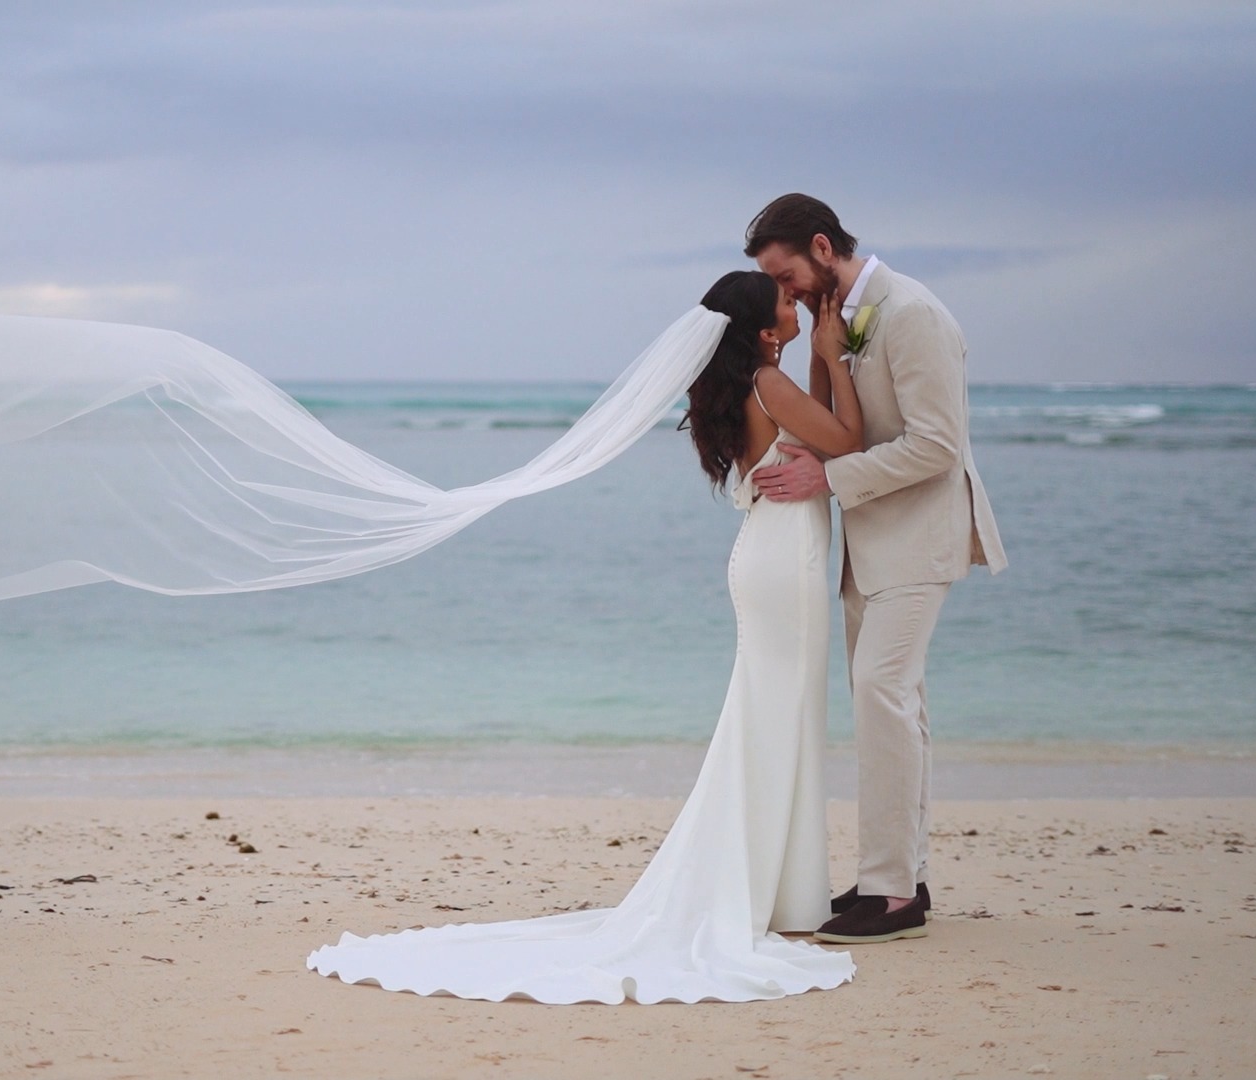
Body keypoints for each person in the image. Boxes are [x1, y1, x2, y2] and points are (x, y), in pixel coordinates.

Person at [305, 269, 870, 1002]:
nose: (797, 305)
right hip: (782, 562)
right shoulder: (770, 383)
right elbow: (848, 439)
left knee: (777, 718)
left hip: (773, 554)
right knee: (776, 717)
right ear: (765, 331)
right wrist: (836, 356)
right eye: (788, 303)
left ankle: (785, 892)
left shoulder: (753, 385)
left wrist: (821, 359)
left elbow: (818, 434)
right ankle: (769, 889)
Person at [747, 193, 1008, 944]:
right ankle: (899, 879)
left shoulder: (912, 313)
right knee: (896, 704)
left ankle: (890, 893)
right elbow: (846, 424)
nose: (785, 292)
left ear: (821, 247)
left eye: (787, 276)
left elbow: (937, 445)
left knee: (881, 694)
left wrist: (827, 478)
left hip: (919, 536)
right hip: (869, 543)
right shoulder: (838, 320)